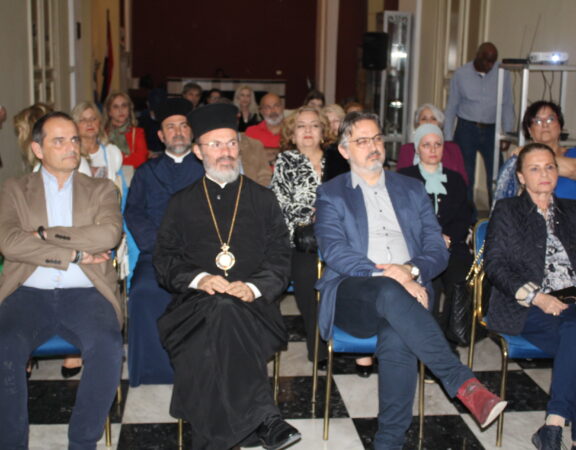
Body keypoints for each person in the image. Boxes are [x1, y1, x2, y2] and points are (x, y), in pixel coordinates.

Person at [314, 111, 507, 449]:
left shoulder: (411, 188)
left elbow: (436, 247)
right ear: (344, 150)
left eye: (377, 138)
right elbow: (335, 252)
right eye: (362, 141)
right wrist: (391, 275)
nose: (374, 146)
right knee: (389, 290)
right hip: (353, 292)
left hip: (408, 293)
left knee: (397, 336)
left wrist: (412, 271)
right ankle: (463, 383)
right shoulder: (332, 193)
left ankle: (388, 442)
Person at [154, 103, 300, 450]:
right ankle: (265, 418)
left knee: (215, 334)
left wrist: (253, 287)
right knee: (220, 309)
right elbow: (164, 260)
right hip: (193, 310)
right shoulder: (181, 203)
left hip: (255, 311)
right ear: (198, 151)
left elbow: (281, 257)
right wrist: (200, 279)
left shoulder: (263, 199)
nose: (226, 152)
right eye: (215, 144)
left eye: (231, 143)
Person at [0, 111, 124, 449]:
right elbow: (9, 242)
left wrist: (43, 234)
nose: (71, 147)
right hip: (27, 291)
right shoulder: (14, 189)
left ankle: (82, 442)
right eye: (59, 141)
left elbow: (108, 235)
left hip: (86, 292)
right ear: (38, 149)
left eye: (73, 139)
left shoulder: (100, 188)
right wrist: (74, 254)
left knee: (109, 346)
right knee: (4, 347)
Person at [484, 143, 576, 450]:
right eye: (534, 168)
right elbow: (495, 266)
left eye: (550, 167)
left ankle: (553, 426)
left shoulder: (572, 211)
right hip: (527, 305)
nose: (544, 174)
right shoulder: (508, 210)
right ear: (521, 177)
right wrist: (538, 297)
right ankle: (559, 425)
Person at [124, 98, 204, 386]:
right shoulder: (146, 172)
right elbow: (134, 212)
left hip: (201, 255)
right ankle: (153, 370)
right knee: (144, 293)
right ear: (161, 135)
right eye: (171, 127)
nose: (178, 132)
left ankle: (201, 369)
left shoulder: (208, 169)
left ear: (192, 132)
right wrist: (158, 245)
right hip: (156, 254)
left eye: (183, 126)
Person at [271, 106, 339, 366]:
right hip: (300, 241)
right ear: (292, 134)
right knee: (309, 280)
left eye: (314, 125)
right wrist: (314, 214)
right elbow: (280, 204)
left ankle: (357, 344)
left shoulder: (338, 159)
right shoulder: (286, 161)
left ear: (323, 131)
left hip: (339, 237)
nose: (308, 130)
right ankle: (318, 348)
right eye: (301, 126)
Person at [397, 124, 473, 350]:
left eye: (437, 144)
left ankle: (448, 342)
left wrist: (447, 237)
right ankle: (425, 342)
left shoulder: (456, 179)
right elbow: (402, 216)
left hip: (451, 245)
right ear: (417, 149)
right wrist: (431, 237)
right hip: (416, 245)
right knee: (429, 285)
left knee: (459, 279)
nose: (432, 149)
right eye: (426, 145)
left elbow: (464, 216)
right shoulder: (404, 177)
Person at [444, 42, 515, 200]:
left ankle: (497, 211)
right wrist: (448, 138)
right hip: (466, 128)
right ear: (478, 56)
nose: (489, 65)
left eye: (492, 61)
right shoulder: (461, 74)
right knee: (466, 175)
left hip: (492, 130)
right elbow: (451, 106)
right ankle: (468, 213)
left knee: (497, 174)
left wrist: (508, 132)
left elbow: (507, 104)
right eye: (486, 61)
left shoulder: (503, 73)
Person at [494, 101, 576, 203]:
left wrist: (530, 154)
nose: (545, 124)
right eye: (537, 121)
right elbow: (503, 198)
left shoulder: (573, 154)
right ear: (529, 130)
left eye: (550, 119)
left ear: (560, 126)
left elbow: (573, 169)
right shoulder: (518, 160)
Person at [396, 103, 468, 185]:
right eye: (424, 119)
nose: (428, 122)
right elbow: (400, 181)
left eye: (433, 119)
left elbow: (463, 181)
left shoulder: (453, 149)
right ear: (417, 125)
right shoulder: (406, 150)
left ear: (440, 124)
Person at [72, 101, 124, 193]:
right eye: (83, 120)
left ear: (99, 122)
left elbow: (121, 190)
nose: (89, 123)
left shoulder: (112, 152)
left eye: (93, 119)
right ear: (75, 125)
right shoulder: (71, 154)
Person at [103, 92, 149, 174]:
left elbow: (140, 160)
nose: (121, 110)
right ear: (109, 112)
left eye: (124, 106)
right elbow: (101, 160)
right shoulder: (103, 134)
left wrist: (114, 158)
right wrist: (127, 157)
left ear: (129, 109)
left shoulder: (138, 132)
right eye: (115, 107)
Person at [246, 92, 285, 166]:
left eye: (276, 106)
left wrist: (263, 153)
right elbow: (248, 159)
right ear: (261, 111)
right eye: (267, 107)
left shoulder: (293, 130)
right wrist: (281, 152)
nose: (273, 111)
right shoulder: (251, 132)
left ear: (282, 107)